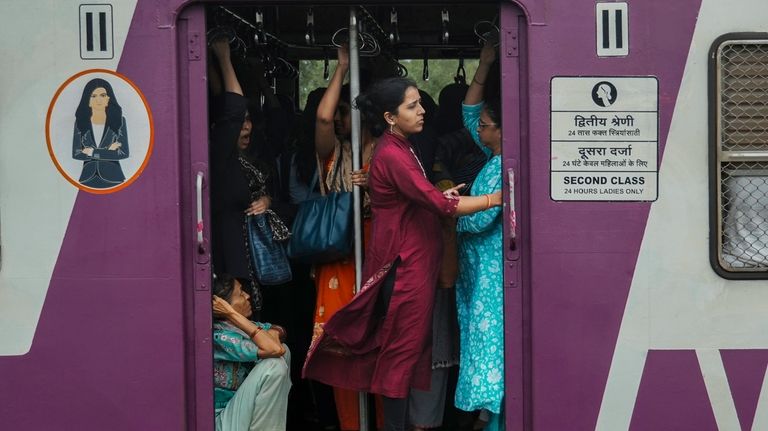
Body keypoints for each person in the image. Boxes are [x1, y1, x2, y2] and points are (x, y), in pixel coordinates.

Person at [303, 76, 502, 431]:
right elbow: (439, 204)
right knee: (399, 360)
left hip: (414, 268)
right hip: (405, 270)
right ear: (390, 117)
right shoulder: (393, 154)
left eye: (419, 103)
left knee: (405, 357)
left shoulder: (402, 146)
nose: (422, 110)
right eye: (412, 106)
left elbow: (423, 196)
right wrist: (496, 198)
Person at [311, 46, 380, 431]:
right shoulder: (336, 153)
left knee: (380, 351)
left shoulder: (388, 152)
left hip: (379, 254)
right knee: (340, 352)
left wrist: (378, 183)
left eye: (345, 112)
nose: (337, 118)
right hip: (339, 254)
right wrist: (339, 68)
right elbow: (321, 117)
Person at [208, 38, 290, 315]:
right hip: (229, 258)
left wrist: (266, 200)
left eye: (249, 121)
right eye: (240, 122)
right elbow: (230, 106)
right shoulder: (219, 157)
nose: (245, 128)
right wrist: (224, 57)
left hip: (253, 258)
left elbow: (270, 195)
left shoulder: (249, 161)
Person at [454, 42, 505, 431]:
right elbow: (470, 113)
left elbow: (478, 221)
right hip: (479, 274)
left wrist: (449, 208)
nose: (479, 128)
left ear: (501, 130)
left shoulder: (502, 166)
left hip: (490, 277)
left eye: (487, 125)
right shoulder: (494, 156)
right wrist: (485, 63)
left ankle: (495, 420)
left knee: (490, 355)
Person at [212, 274, 291, 431]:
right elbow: (273, 349)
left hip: (238, 412)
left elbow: (278, 330)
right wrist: (231, 314)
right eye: (240, 293)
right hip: (220, 421)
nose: (247, 296)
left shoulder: (239, 326)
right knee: (274, 365)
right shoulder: (220, 336)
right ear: (224, 306)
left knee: (284, 352)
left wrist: (274, 333)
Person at [72, 78, 129, 188]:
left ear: (108, 98)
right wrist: (108, 151)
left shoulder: (120, 120)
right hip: (87, 179)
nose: (99, 100)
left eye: (103, 95)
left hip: (114, 179)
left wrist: (92, 153)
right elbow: (76, 154)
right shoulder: (80, 121)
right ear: (87, 100)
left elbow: (123, 153)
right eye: (93, 96)